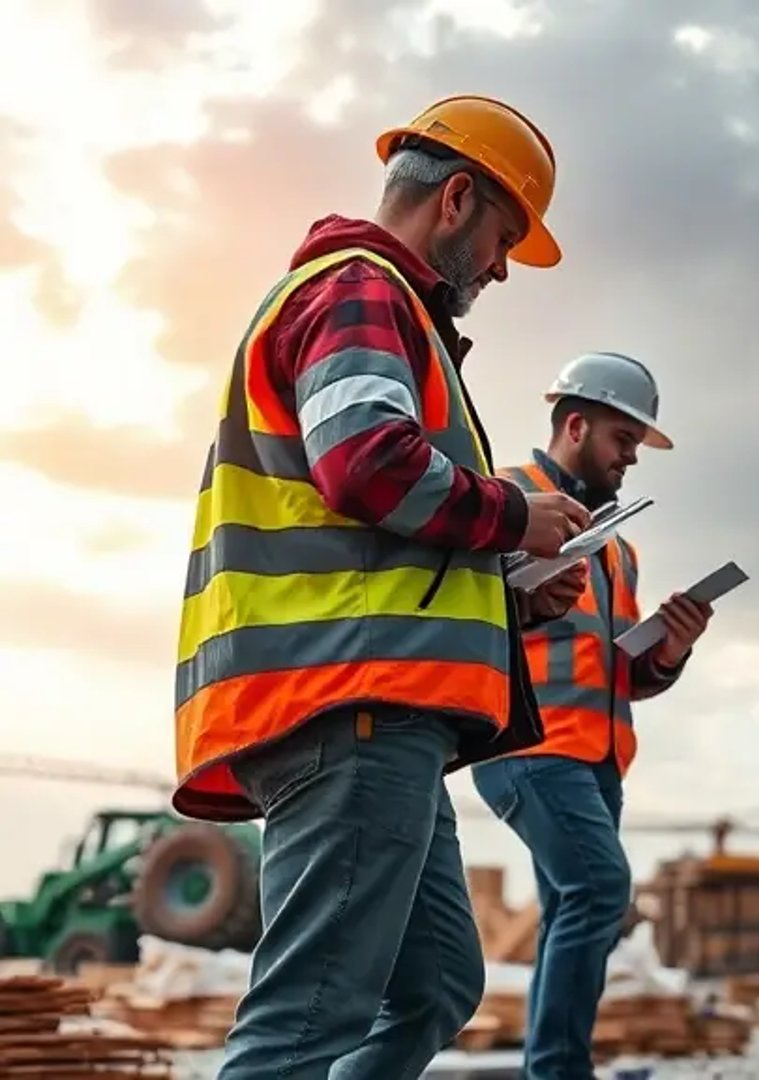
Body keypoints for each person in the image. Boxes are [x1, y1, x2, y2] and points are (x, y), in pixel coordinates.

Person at [173, 95, 593, 1079]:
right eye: (501, 240)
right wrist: (512, 516)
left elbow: (367, 524)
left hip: (380, 709)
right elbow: (364, 460)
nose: (498, 269)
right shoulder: (364, 290)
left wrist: (505, 592)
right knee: (307, 1018)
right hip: (348, 704)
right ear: (455, 200)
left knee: (437, 985)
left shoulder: (369, 302)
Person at [473, 351, 715, 1080]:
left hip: (597, 759)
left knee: (571, 909)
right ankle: (558, 1071)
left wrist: (672, 647)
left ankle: (551, 1067)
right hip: (529, 746)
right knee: (600, 890)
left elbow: (624, 672)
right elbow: (463, 613)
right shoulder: (506, 500)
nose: (629, 460)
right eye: (622, 442)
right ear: (575, 424)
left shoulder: (619, 547)